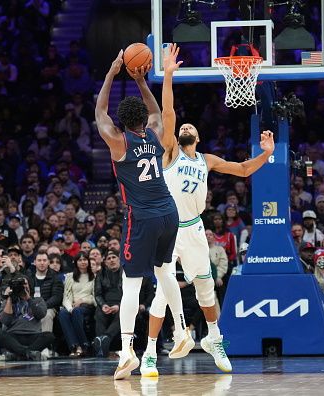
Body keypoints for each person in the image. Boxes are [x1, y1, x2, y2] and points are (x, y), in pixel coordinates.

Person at [140, 43, 275, 377]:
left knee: (205, 288)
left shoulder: (206, 160)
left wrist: (266, 153)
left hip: (194, 227)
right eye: (182, 127)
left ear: (198, 137)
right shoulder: (170, 152)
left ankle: (214, 339)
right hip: (167, 228)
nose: (185, 127)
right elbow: (169, 114)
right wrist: (168, 76)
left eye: (190, 128)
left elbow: (243, 170)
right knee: (162, 291)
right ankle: (149, 354)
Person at [95, 49, 192, 380]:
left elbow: (100, 111)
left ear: (123, 122)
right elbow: (156, 110)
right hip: (169, 211)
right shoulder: (155, 134)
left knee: (131, 284)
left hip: (144, 217)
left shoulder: (117, 141)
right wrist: (140, 81)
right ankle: (181, 331)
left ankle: (126, 353)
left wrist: (112, 72)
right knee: (165, 272)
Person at [0, 276, 55, 361]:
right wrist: (9, 299)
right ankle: (29, 354)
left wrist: (28, 299)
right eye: (19, 285)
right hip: (14, 337)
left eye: (24, 284)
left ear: (29, 286)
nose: (23, 286)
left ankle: (17, 355)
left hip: (33, 336)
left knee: (49, 336)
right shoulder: (8, 301)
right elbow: (5, 321)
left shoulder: (38, 300)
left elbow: (40, 314)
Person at [58, 251, 96, 357]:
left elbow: (95, 297)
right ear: (76, 262)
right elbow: (66, 296)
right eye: (80, 260)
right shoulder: (70, 277)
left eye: (85, 259)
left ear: (88, 261)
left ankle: (84, 345)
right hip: (73, 306)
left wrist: (82, 301)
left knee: (77, 311)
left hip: (87, 306)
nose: (83, 262)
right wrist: (70, 308)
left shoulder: (94, 277)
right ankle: (75, 346)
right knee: (63, 313)